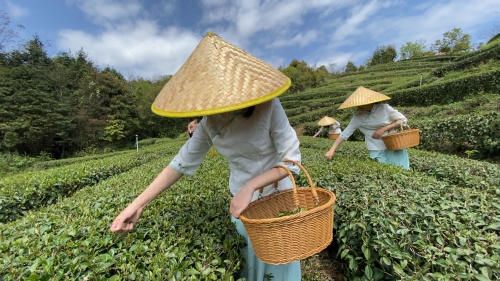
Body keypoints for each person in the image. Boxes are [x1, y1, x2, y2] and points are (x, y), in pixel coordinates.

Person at [111, 32, 302, 281]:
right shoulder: (209, 124)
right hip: (242, 206)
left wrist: (252, 186)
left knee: (278, 266)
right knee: (247, 265)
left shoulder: (269, 106)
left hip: (278, 199)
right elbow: (180, 164)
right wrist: (137, 205)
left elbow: (292, 162)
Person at [325, 86, 410, 170]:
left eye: (362, 103)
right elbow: (345, 134)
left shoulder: (384, 108)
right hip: (376, 148)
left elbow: (403, 121)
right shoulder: (357, 117)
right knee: (383, 173)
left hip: (394, 144)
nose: (359, 106)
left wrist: (384, 129)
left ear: (370, 101)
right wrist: (332, 149)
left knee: (401, 170)